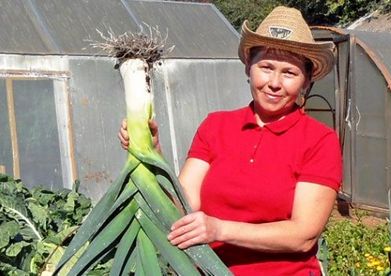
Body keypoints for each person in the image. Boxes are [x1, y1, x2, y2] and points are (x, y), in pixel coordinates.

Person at [119, 6, 342, 276]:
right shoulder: (216, 126)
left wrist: (219, 229)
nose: (274, 82)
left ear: (306, 82)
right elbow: (182, 207)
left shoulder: (319, 141)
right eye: (266, 67)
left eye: (289, 73)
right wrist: (153, 155)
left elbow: (302, 235)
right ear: (249, 67)